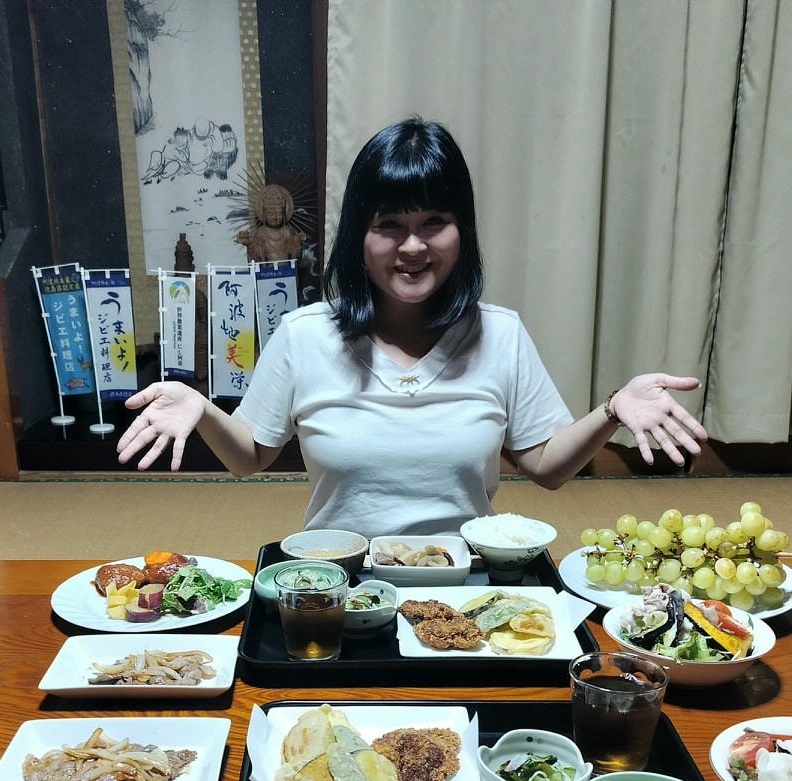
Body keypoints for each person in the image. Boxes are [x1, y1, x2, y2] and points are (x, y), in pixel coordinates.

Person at [117, 117, 707, 538]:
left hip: (464, 590)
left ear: (462, 231)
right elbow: (251, 456)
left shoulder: (499, 335)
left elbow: (545, 467)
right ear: (359, 235)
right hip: (337, 586)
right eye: (390, 225)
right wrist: (202, 407)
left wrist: (612, 408)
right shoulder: (304, 335)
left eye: (435, 221)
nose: (414, 246)